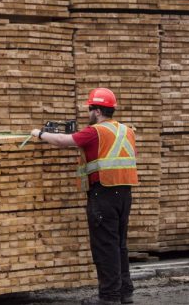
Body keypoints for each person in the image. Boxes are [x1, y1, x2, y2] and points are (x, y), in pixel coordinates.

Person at [31, 87, 138, 305]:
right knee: (120, 245)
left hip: (104, 194)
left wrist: (39, 134)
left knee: (105, 246)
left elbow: (63, 141)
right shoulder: (127, 130)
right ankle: (124, 293)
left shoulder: (95, 131)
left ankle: (109, 297)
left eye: (90, 109)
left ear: (97, 111)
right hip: (124, 193)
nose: (88, 113)